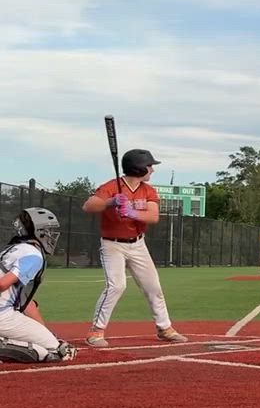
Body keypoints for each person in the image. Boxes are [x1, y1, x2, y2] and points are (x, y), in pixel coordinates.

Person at [82, 149, 187, 347]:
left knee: (153, 286)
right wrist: (111, 202)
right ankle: (96, 331)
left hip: (138, 244)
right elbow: (88, 206)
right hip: (112, 244)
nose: (152, 170)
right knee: (117, 286)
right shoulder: (112, 186)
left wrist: (131, 213)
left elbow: (153, 216)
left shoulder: (148, 190)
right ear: (138, 168)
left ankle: (164, 328)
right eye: (150, 166)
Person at [0, 208, 77, 364]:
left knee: (46, 343)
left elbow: (26, 302)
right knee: (60, 352)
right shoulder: (33, 255)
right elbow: (2, 284)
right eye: (49, 230)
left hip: (4, 314)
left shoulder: (14, 249)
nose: (52, 234)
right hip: (3, 315)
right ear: (39, 231)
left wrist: (44, 331)